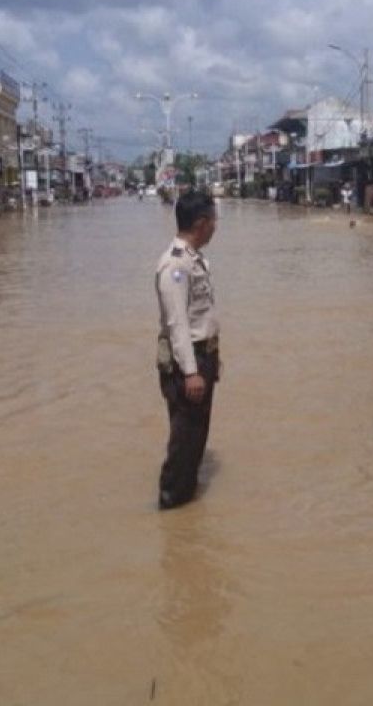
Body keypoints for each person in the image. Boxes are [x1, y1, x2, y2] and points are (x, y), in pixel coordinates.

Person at [154, 191, 221, 510]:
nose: (216, 227)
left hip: (200, 356)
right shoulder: (176, 265)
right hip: (187, 362)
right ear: (201, 223)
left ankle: (187, 504)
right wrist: (192, 372)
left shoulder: (194, 259)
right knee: (185, 439)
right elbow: (177, 323)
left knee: (196, 435)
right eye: (214, 221)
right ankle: (172, 504)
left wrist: (211, 360)